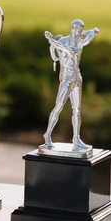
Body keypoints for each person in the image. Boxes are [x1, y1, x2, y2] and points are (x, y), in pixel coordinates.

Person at [43, 19, 99, 152]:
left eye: (79, 30)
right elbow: (56, 57)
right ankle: (48, 135)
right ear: (71, 28)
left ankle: (76, 138)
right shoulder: (63, 41)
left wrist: (52, 40)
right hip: (66, 78)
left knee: (77, 109)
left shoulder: (78, 43)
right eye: (74, 28)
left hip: (77, 78)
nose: (77, 32)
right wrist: (53, 44)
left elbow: (72, 49)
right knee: (58, 106)